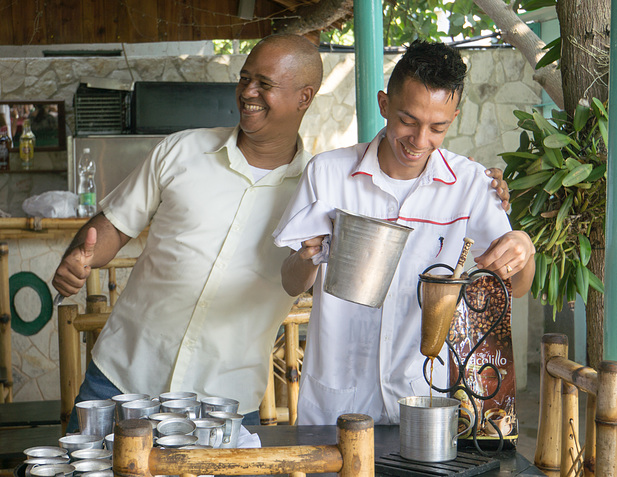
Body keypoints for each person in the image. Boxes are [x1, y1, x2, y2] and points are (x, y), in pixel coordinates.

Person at [53, 34, 509, 431]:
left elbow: (303, 274)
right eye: (245, 78)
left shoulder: (321, 183)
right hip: (121, 375)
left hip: (226, 397)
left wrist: (511, 230)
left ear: (305, 98)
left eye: (265, 84)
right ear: (386, 107)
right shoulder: (183, 151)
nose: (248, 92)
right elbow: (112, 225)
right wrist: (83, 256)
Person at [274, 40, 536, 425]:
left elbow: (515, 286)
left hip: (427, 397)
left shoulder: (471, 185)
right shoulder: (329, 174)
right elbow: (290, 283)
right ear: (384, 105)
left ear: (454, 118)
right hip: (337, 401)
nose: (420, 140)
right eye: (408, 120)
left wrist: (524, 249)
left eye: (438, 127)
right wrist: (307, 257)